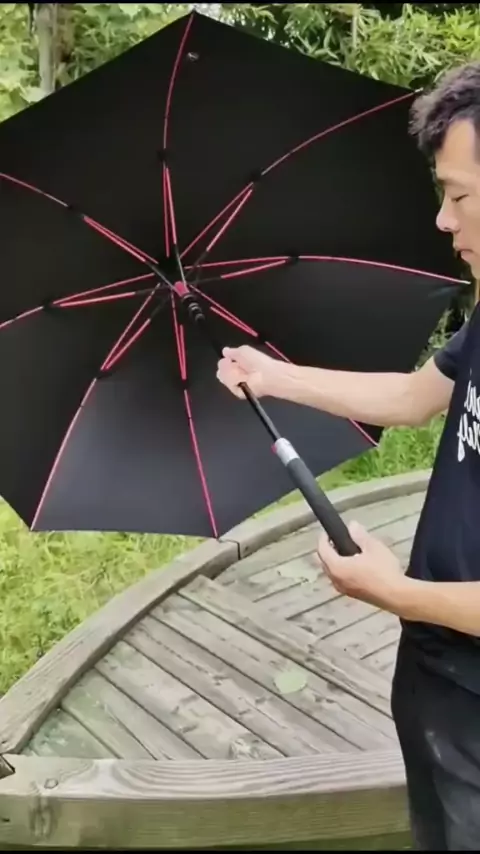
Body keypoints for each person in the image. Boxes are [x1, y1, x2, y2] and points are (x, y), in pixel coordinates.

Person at [216, 62, 480, 851]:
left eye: (460, 196)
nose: (442, 220)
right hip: (435, 662)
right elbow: (412, 396)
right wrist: (274, 376)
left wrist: (395, 592)